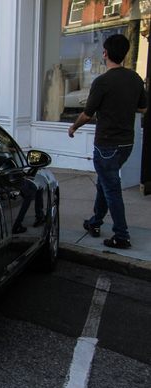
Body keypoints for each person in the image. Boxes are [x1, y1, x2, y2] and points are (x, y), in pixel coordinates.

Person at [68, 34, 147, 249]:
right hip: (126, 145)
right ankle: (95, 223)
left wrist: (74, 127)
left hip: (106, 146)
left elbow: (87, 114)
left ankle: (121, 235)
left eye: (103, 51)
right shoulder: (135, 78)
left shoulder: (101, 82)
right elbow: (143, 108)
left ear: (105, 53)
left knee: (112, 190)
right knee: (105, 183)